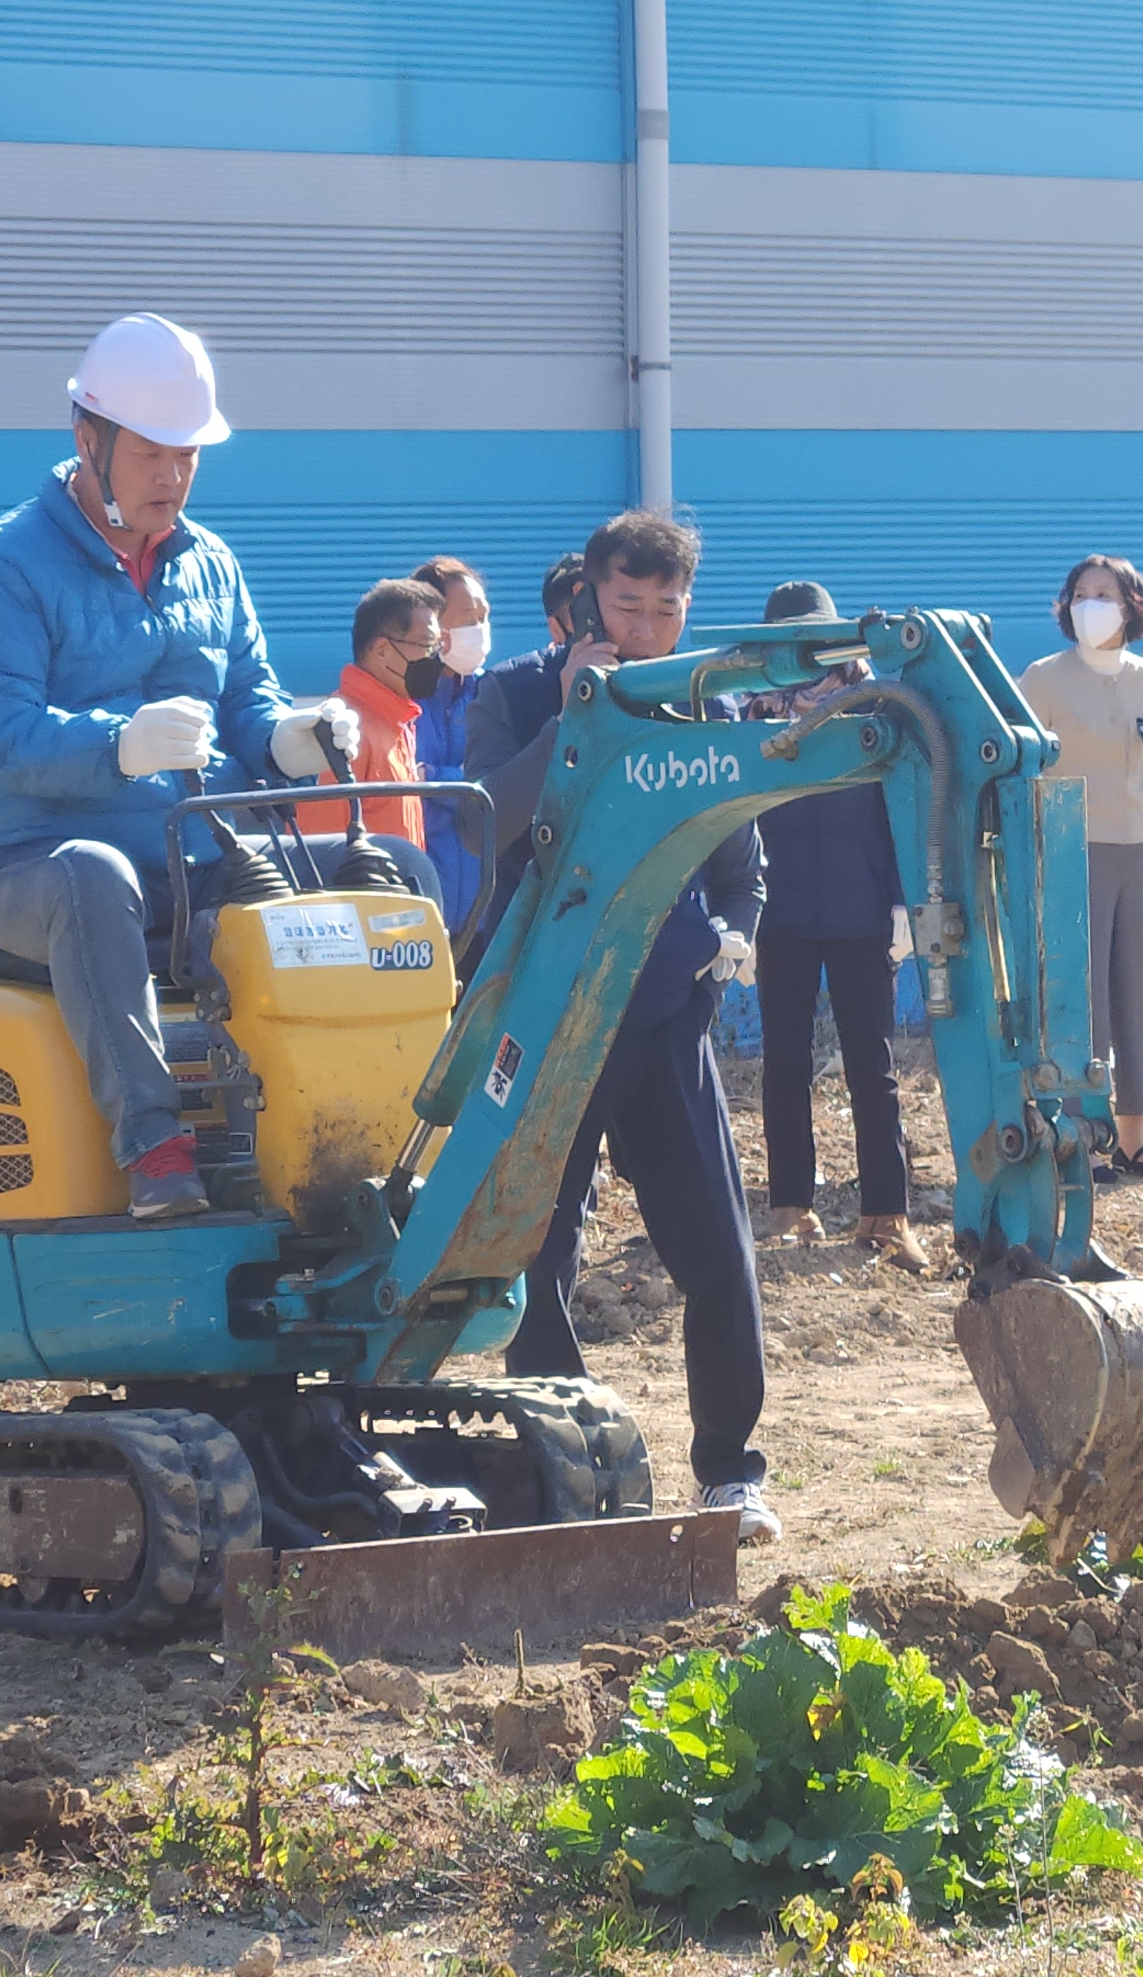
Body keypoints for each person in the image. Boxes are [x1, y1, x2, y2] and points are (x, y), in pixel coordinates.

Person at [0, 314, 371, 1222]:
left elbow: (248, 701)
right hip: (31, 865)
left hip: (189, 857)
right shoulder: (4, 569)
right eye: (151, 453)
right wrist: (117, 745)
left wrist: (291, 736)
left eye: (189, 454)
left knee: (382, 878)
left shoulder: (211, 564)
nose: (173, 475)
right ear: (87, 441)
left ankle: (355, 1132)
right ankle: (154, 1149)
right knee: (95, 878)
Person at [468, 511, 781, 1543]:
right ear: (586, 598)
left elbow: (745, 863)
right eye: (626, 603)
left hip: (663, 1018)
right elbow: (488, 823)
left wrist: (730, 939)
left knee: (718, 1251)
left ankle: (731, 1469)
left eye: (666, 607)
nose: (645, 627)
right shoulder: (514, 693)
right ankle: (562, 1469)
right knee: (537, 1247)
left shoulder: (711, 700)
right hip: (549, 1023)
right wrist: (570, 720)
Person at [741, 582, 928, 1266]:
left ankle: (888, 1212)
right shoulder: (749, 716)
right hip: (780, 912)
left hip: (861, 912)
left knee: (871, 1067)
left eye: (818, 639)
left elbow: (907, 810)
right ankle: (790, 1206)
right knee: (784, 1065)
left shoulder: (878, 708)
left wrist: (907, 904)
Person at [1016, 555, 1143, 1180]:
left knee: (1139, 988)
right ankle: (1077, 1136)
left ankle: (1136, 1136)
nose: (1091, 604)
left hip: (1137, 845)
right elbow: (1023, 763)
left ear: (1131, 604)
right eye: (1080, 594)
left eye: (1104, 594)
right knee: (1077, 997)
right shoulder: (1043, 677)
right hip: (1067, 846)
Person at [313, 577, 440, 848]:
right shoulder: (342, 730)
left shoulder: (398, 721)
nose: (435, 659)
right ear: (382, 650)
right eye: (427, 645)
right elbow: (320, 849)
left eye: (437, 647)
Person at [404, 556, 493, 925]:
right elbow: (403, 788)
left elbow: (501, 787)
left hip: (487, 915)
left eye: (484, 617)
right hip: (418, 913)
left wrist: (437, 780)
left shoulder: (494, 692)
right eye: (468, 619)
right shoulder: (401, 698)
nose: (481, 629)